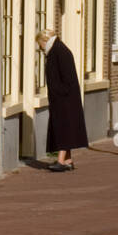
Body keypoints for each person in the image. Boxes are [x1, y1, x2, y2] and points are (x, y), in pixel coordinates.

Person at [37, 29, 89, 171]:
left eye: (40, 44)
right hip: (63, 98)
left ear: (44, 41)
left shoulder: (58, 51)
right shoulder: (57, 50)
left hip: (65, 99)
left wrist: (59, 92)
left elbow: (67, 77)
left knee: (64, 128)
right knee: (65, 127)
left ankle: (61, 161)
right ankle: (68, 160)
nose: (40, 48)